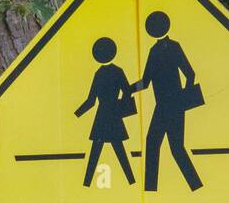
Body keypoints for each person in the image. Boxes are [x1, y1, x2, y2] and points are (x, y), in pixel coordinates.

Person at [129, 10, 203, 192]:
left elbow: (146, 82)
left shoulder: (161, 50)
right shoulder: (165, 48)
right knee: (165, 145)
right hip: (168, 106)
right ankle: (156, 189)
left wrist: (128, 89)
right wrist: (182, 98)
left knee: (165, 146)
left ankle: (190, 186)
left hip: (168, 106)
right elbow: (188, 75)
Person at [75, 37, 136, 187]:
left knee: (97, 150)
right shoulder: (118, 71)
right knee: (118, 149)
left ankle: (87, 183)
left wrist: (77, 114)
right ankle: (131, 181)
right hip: (114, 114)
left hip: (102, 116)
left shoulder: (99, 74)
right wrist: (122, 104)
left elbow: (91, 101)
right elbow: (127, 91)